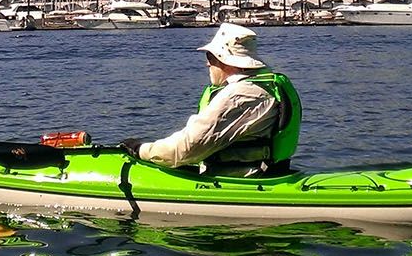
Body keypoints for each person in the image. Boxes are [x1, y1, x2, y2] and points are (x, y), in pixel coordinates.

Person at [122, 23, 301, 176]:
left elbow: (186, 148)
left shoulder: (240, 95)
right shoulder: (268, 86)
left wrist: (140, 149)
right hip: (269, 173)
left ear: (226, 59)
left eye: (210, 57)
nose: (207, 63)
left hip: (241, 182)